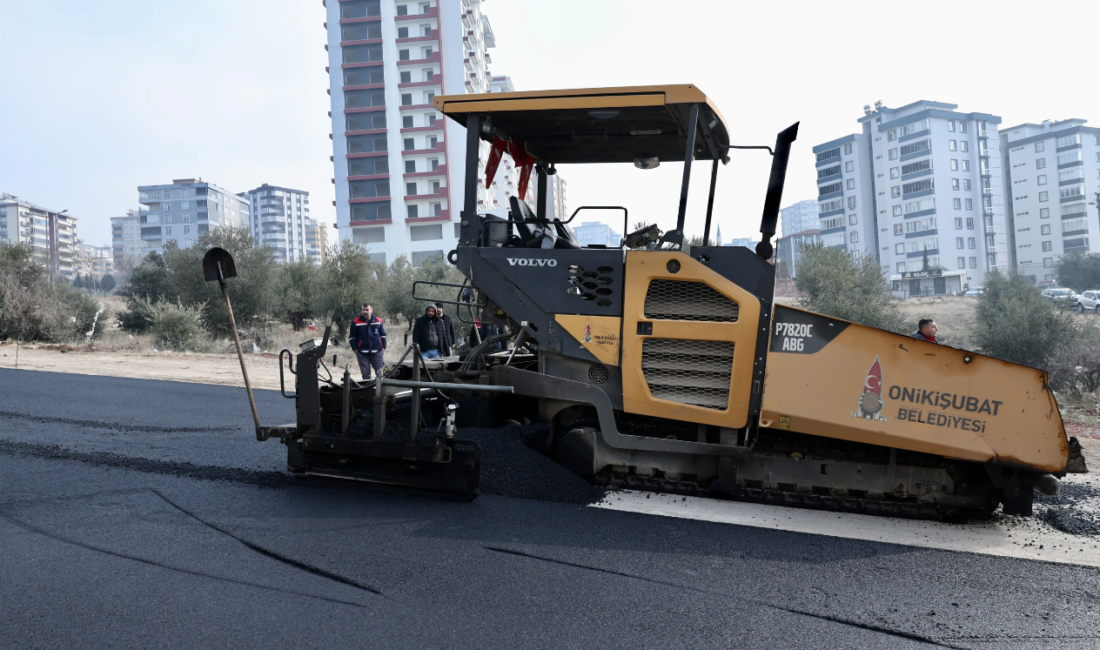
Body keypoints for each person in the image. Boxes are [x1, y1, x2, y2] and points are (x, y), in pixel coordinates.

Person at [348, 303, 387, 380]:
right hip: (362, 354)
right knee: (366, 378)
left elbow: (383, 335)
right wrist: (356, 350)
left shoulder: (379, 321)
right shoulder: (355, 322)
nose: (365, 312)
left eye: (367, 310)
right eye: (363, 310)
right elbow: (351, 338)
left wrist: (383, 347)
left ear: (371, 311)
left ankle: (381, 391)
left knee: (382, 375)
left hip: (377, 353)